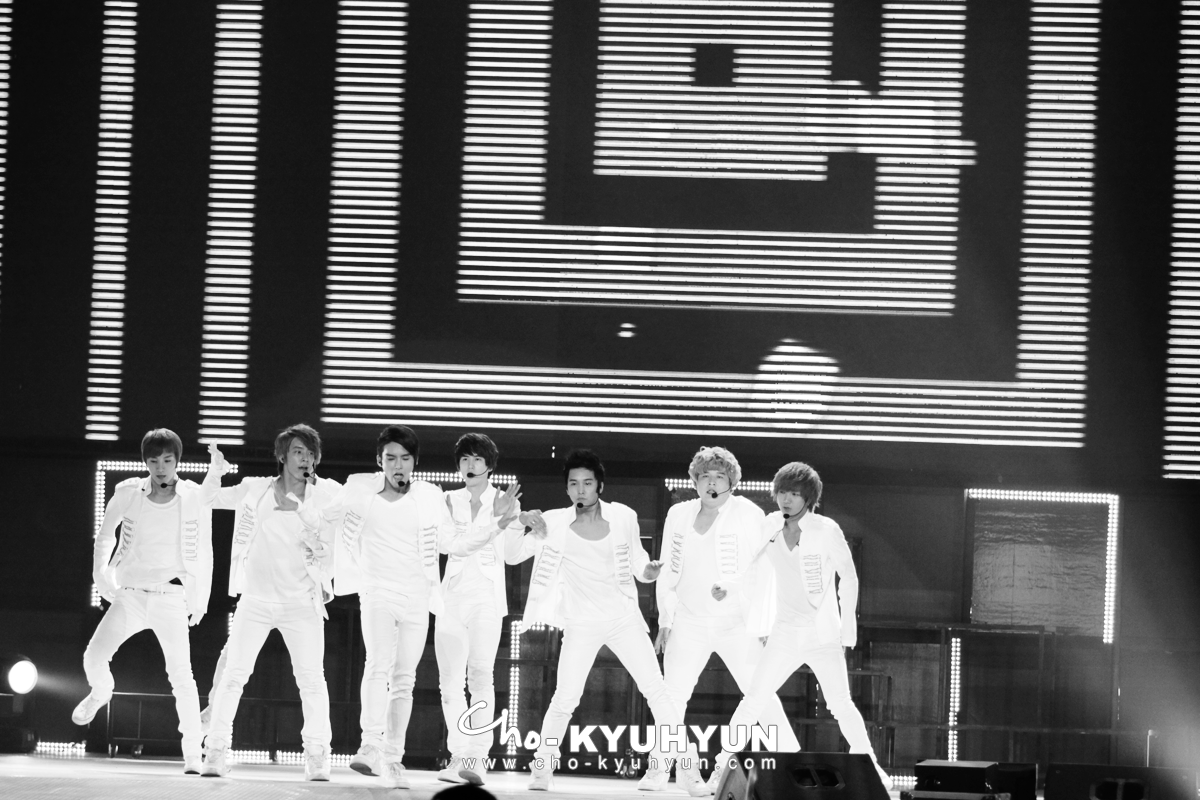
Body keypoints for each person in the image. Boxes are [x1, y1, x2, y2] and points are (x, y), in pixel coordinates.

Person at [327, 425, 522, 790]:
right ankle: (374, 746)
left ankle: (430, 758)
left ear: (414, 461)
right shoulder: (368, 490)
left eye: (404, 458)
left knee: (423, 679)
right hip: (393, 594)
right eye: (390, 458)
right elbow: (324, 515)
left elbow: (464, 546)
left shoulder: (432, 496)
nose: (397, 465)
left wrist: (500, 523)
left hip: (436, 598)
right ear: (380, 460)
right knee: (387, 667)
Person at [509, 449, 708, 796]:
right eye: (574, 484)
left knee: (657, 692)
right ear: (567, 489)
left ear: (599, 485)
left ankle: (688, 770)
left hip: (623, 619)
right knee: (565, 698)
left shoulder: (623, 516)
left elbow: (639, 563)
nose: (581, 489)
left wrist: (649, 572)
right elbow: (512, 555)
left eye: (587, 483)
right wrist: (519, 521)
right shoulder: (552, 522)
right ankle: (542, 767)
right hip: (580, 623)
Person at [711, 462, 892, 791]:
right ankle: (722, 765)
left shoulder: (826, 530)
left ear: (808, 498)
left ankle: (871, 766)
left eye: (794, 494)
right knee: (754, 699)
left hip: (821, 634)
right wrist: (729, 586)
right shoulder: (770, 525)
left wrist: (846, 629)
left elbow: (849, 577)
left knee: (840, 703)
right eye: (782, 492)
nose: (786, 499)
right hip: (784, 633)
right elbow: (751, 568)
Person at [642, 446, 801, 793]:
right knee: (671, 699)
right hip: (688, 621)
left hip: (735, 623)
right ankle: (662, 770)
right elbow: (668, 570)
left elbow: (764, 566)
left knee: (760, 694)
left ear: (731, 482)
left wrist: (757, 615)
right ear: (695, 481)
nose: (711, 483)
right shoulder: (678, 514)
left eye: (718, 477)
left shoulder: (747, 513)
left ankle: (794, 764)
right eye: (705, 476)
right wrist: (666, 620)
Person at [201, 424, 339, 781]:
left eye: (310, 453)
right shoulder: (255, 489)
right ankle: (215, 750)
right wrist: (215, 472)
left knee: (312, 680)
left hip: (302, 602)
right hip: (256, 600)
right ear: (282, 456)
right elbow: (209, 499)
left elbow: (338, 540)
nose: (304, 458)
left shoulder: (326, 495)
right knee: (233, 675)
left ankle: (317, 755)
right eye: (297, 451)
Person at [74, 429, 216, 774]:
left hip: (171, 597)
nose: (161, 467)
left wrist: (200, 597)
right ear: (146, 462)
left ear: (177, 461)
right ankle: (101, 691)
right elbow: (105, 536)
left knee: (182, 677)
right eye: (154, 460)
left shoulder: (192, 496)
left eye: (167, 460)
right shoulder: (128, 493)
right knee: (93, 657)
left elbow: (205, 549)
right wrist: (102, 578)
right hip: (131, 596)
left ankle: (192, 754)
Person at [435, 433, 526, 786]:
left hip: (486, 599)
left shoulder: (506, 501)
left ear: (489, 465)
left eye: (477, 459)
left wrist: (523, 525)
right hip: (451, 599)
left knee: (481, 677)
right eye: (465, 459)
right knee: (449, 684)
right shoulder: (447, 500)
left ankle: (476, 757)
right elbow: (449, 546)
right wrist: (495, 523)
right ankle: (458, 755)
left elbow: (513, 555)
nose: (470, 466)